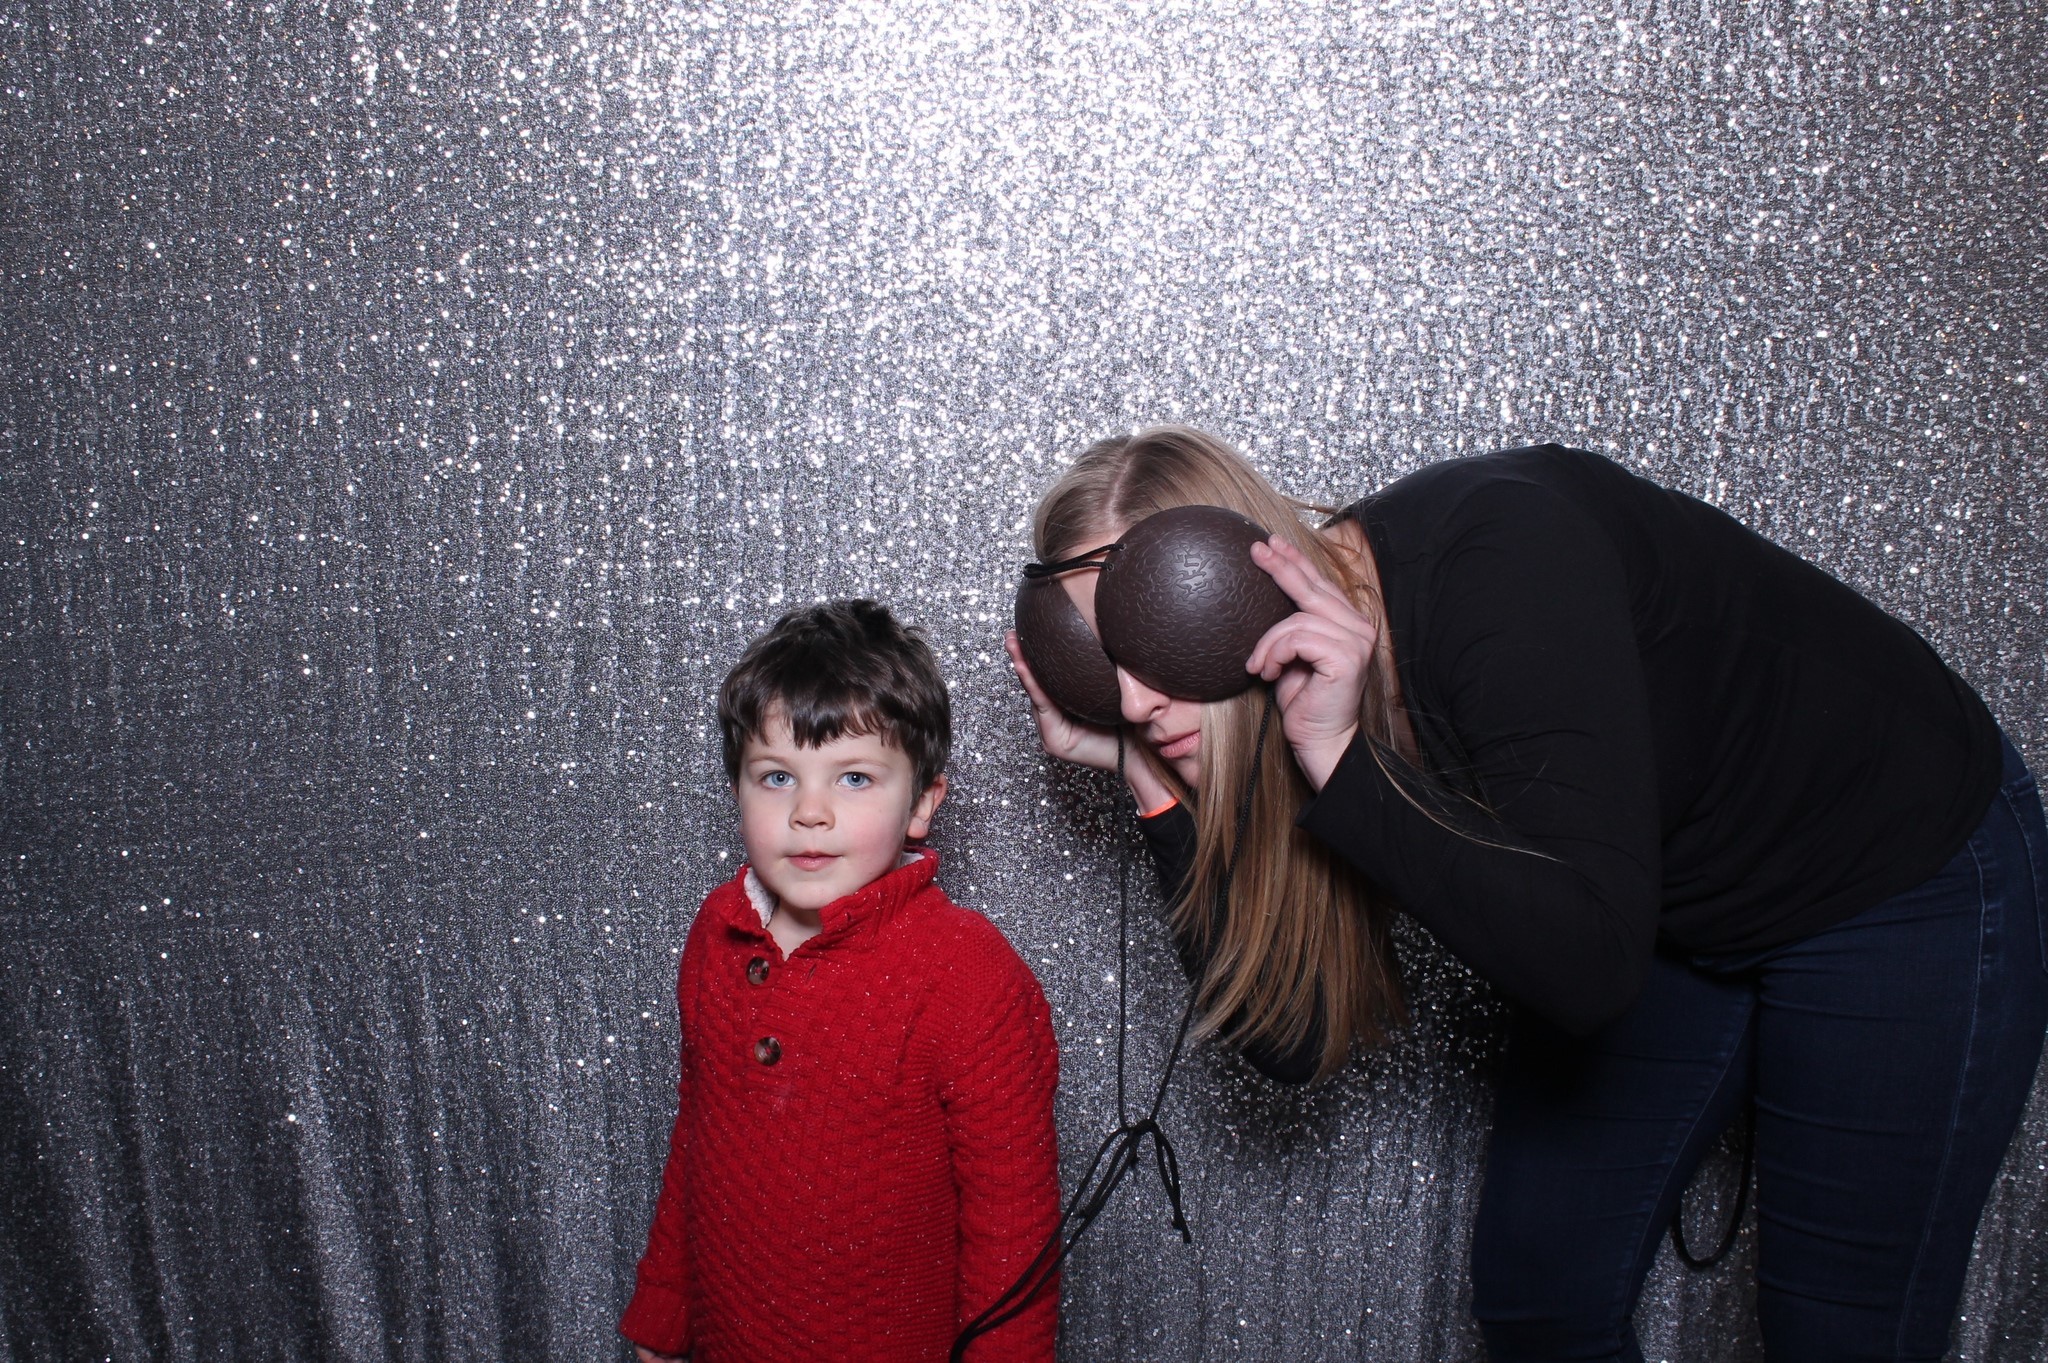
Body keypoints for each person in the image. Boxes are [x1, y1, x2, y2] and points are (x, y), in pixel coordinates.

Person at [1005, 426, 2047, 1362]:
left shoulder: (1498, 560)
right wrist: (1150, 785)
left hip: (1892, 867)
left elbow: (1588, 971)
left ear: (1232, 582)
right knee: (1542, 1294)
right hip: (1658, 898)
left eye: (1151, 640)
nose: (1134, 699)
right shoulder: (1259, 702)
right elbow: (1291, 1038)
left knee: (1838, 1329)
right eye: (1099, 663)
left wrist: (1344, 761)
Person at [624, 599, 1061, 1363]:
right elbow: (696, 1136)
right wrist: (665, 1307)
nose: (810, 812)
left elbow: (1014, 1234)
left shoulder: (970, 974)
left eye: (854, 777)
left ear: (921, 802)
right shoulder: (717, 933)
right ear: (736, 790)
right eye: (776, 776)